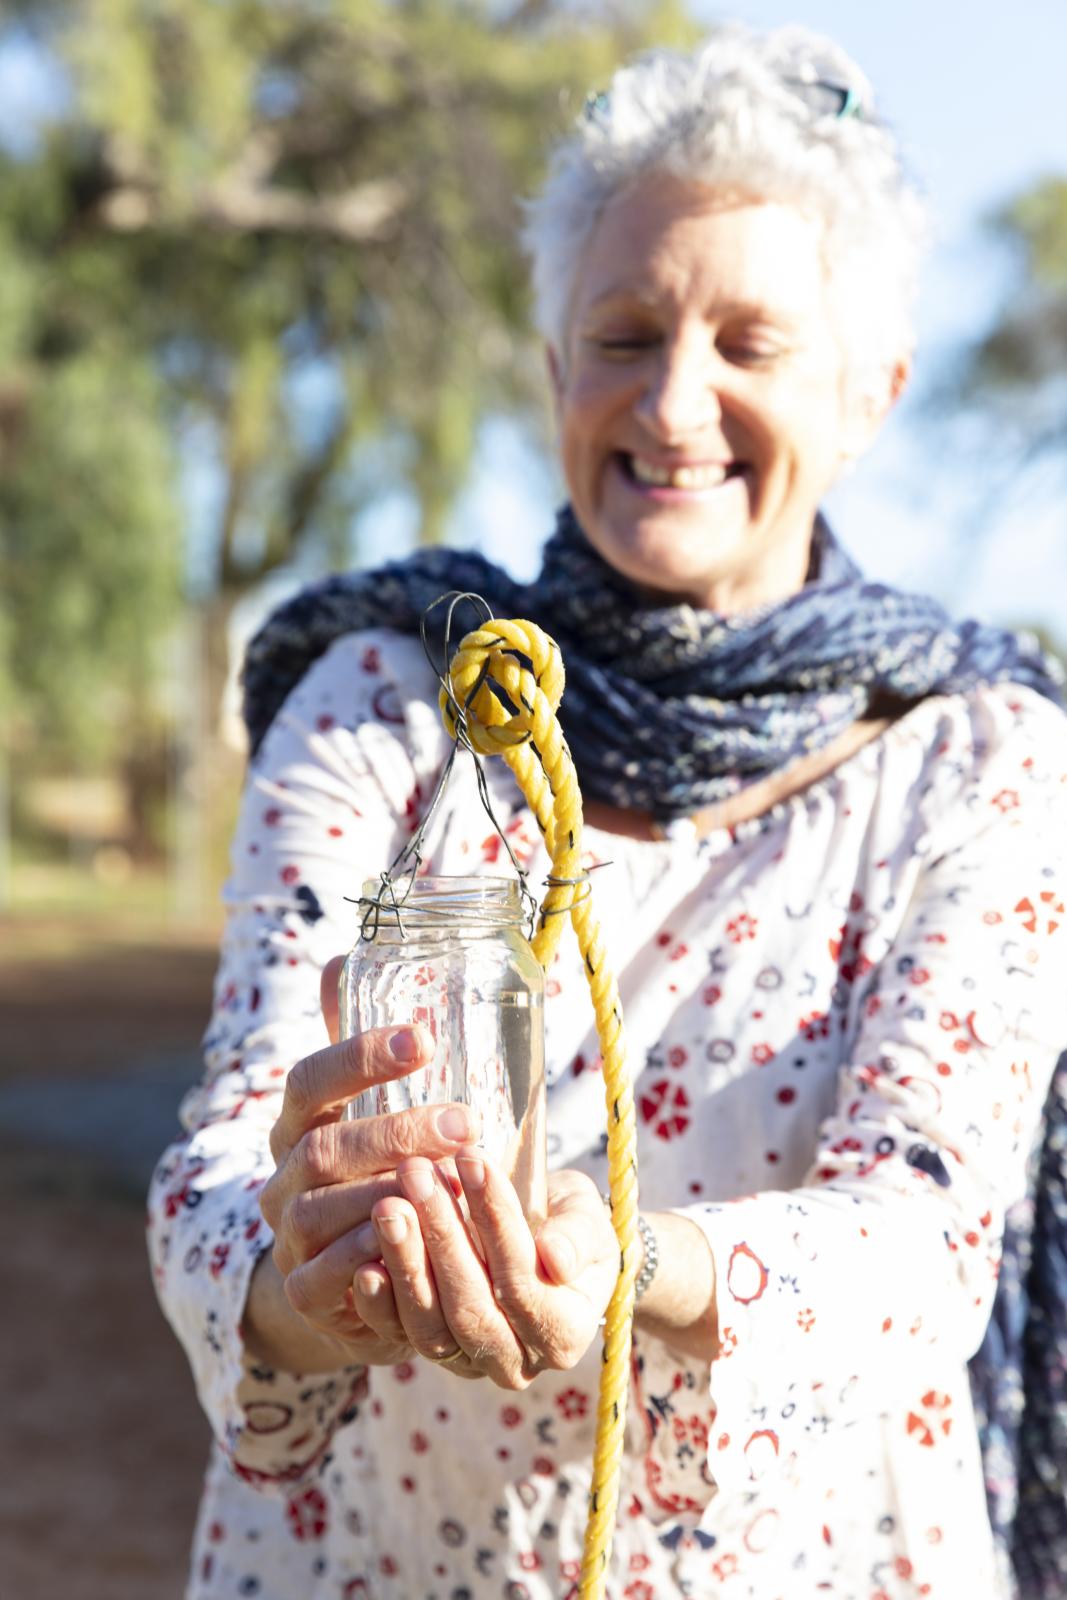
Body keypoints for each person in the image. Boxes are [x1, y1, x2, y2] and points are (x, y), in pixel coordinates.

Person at [148, 23, 1067, 1600]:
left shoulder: (980, 764)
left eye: (752, 345)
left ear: (870, 393)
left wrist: (631, 1263)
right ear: (555, 367)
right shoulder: (387, 701)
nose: (677, 403)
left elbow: (924, 1241)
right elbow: (225, 1163)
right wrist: (302, 1273)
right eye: (627, 333)